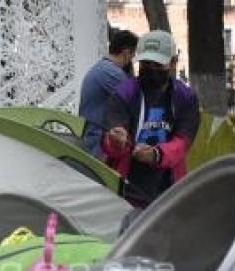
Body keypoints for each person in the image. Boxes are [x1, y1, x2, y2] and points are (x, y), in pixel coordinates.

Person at [103, 30, 201, 210]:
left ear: (172, 63)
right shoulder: (124, 93)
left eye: (157, 64)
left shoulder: (185, 97)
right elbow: (110, 141)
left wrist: (156, 155)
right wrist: (116, 140)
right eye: (146, 63)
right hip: (126, 191)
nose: (150, 69)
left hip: (169, 189)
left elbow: (183, 142)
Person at [78, 30, 138, 157]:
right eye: (133, 56)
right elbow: (136, 99)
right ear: (127, 53)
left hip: (93, 135)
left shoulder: (102, 68)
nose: (132, 60)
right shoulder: (112, 73)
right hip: (98, 140)